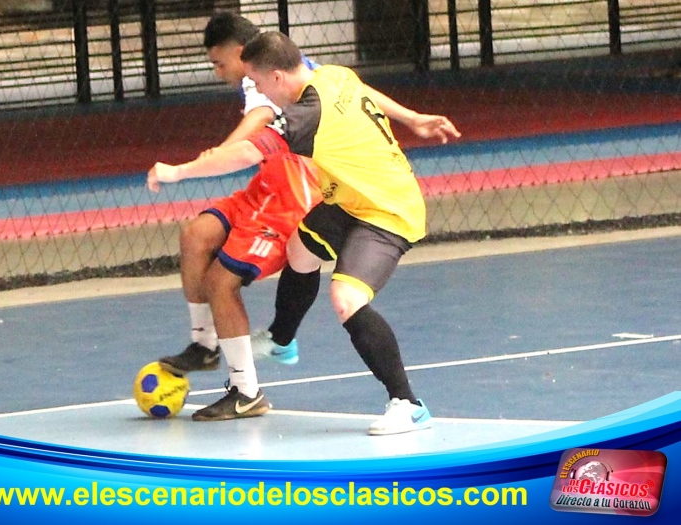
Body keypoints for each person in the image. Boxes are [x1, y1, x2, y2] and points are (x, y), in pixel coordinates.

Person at [148, 31, 462, 434]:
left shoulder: (305, 115)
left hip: (387, 211)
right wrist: (413, 118)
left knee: (346, 298)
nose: (258, 92)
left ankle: (407, 403)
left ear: (277, 77)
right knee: (300, 248)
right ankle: (281, 339)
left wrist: (178, 171)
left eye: (259, 84)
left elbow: (248, 152)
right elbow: (365, 90)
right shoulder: (333, 75)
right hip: (348, 199)